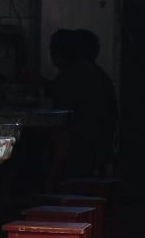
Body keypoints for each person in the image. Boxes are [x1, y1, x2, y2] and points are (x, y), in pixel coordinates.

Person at [47, 28, 118, 183]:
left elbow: (62, 124)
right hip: (98, 148)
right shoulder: (97, 74)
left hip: (81, 151)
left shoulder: (71, 76)